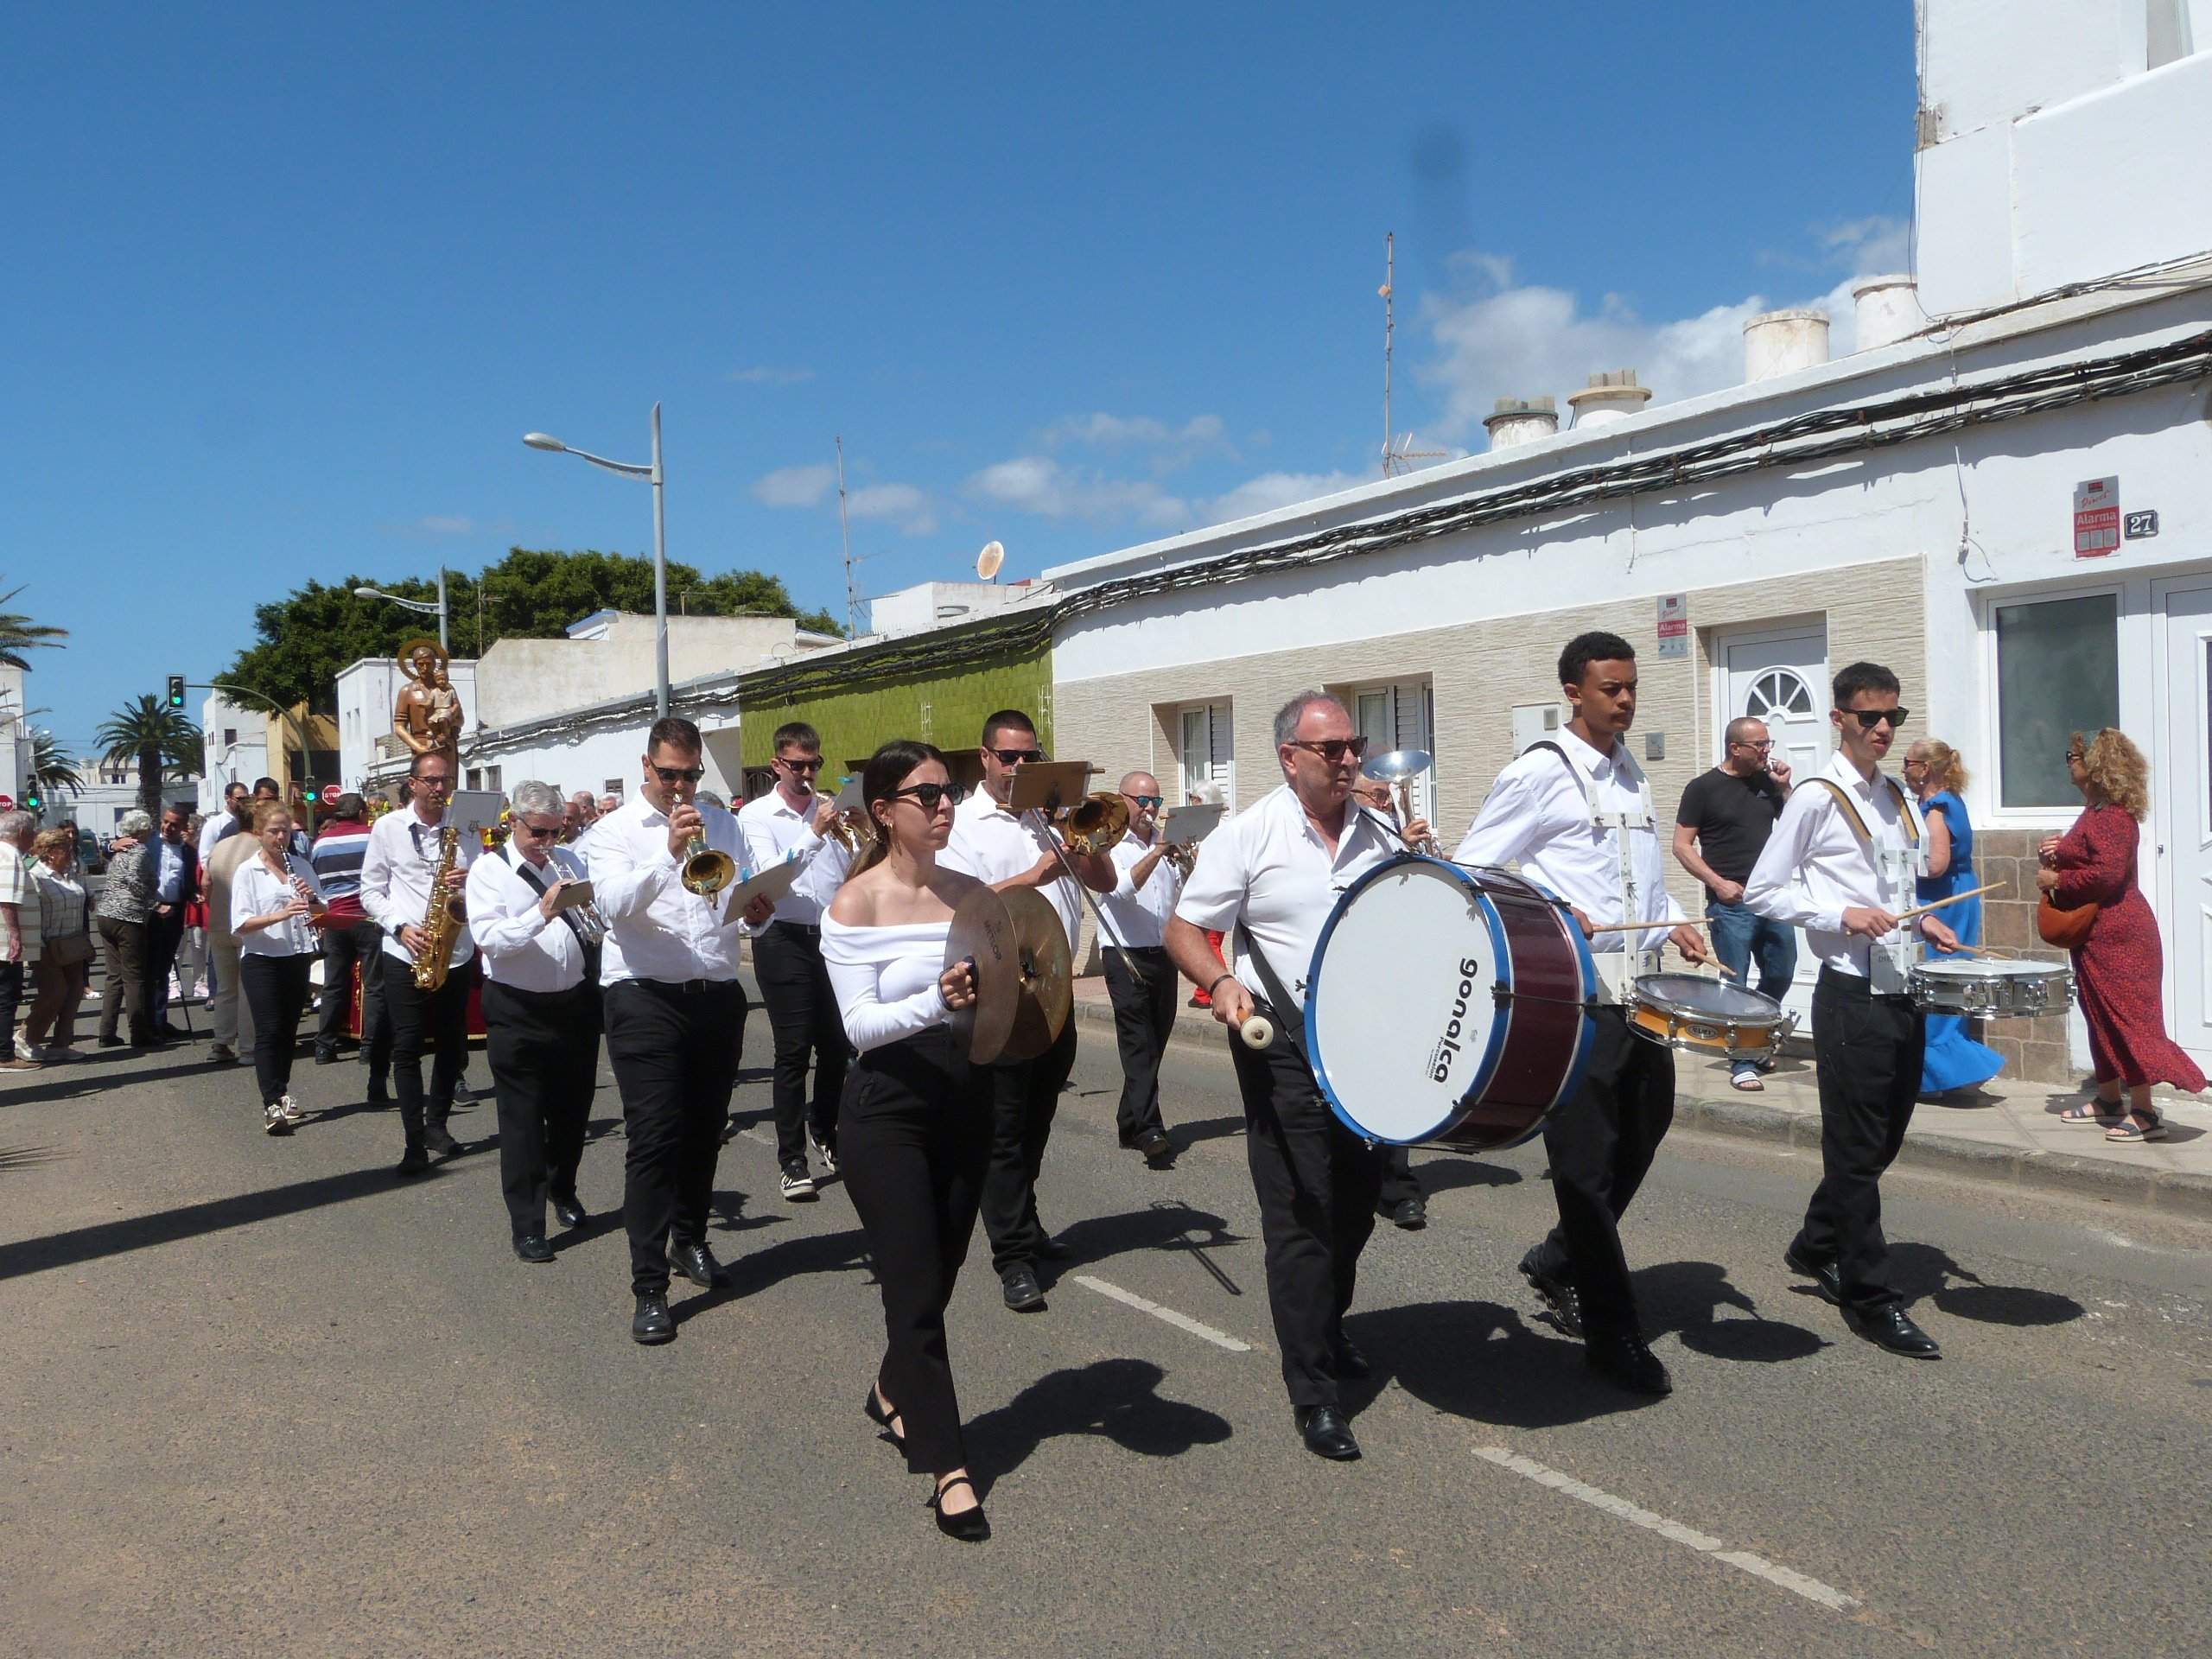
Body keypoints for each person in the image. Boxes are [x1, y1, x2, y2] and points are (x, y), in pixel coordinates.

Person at [1455, 632, 1708, 1395]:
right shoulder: (1538, 772)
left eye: (1631, 688)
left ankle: (1559, 1258)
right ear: (1574, 692)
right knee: (1586, 1169)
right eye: (1611, 689)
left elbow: (1639, 882)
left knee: (1644, 1132)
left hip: (1642, 998)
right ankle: (1612, 1333)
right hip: (1576, 1005)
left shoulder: (1632, 772)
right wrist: (1553, 907)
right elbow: (1473, 870)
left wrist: (1675, 921)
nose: (1626, 700)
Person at [1168, 692, 1395, 1460]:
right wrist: (1220, 980)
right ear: (1289, 758)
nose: (1348, 760)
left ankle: (1326, 1326)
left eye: (1353, 745)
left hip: (1368, 1049)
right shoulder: (1248, 834)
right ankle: (1315, 1391)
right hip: (1282, 1042)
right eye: (1331, 749)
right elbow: (1183, 926)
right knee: (1302, 1213)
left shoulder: (1379, 831)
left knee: (1357, 1205)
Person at [1745, 662, 1960, 1359]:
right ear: (1839, 719)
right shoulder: (1815, 797)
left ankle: (1816, 1243)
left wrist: (1921, 919)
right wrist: (1841, 914)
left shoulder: (1895, 795)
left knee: (1883, 1139)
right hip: (1850, 995)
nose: (1883, 728)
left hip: (1903, 985)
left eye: (1893, 716)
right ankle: (1870, 1298)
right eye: (1870, 717)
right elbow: (1763, 891)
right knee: (1857, 1152)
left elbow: (1896, 888)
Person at [823, 740, 993, 1541]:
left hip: (966, 1097)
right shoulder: (855, 904)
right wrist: (936, 1000)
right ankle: (947, 1466)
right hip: (886, 1108)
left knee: (943, 1273)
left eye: (949, 790)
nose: (945, 804)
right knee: (913, 1289)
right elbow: (860, 1027)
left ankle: (892, 1389)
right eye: (927, 795)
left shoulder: (971, 893)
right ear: (885, 811)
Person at [591, 717, 775, 1344]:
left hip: (715, 991)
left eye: (690, 775)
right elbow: (611, 905)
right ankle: (648, 1287)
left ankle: (689, 1239)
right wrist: (666, 854)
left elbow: (734, 904)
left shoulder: (724, 824)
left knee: (705, 1129)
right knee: (653, 1138)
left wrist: (756, 910)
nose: (680, 786)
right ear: (646, 766)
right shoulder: (613, 831)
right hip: (643, 994)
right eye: (669, 774)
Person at [939, 709, 1116, 1315]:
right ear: (985, 758)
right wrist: (1035, 874)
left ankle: (1027, 1222)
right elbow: (965, 910)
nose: (1019, 766)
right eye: (1009, 757)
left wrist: (1078, 833)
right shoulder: (963, 825)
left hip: (1054, 990)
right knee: (1004, 1132)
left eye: (1029, 757)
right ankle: (1012, 1256)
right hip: (1001, 993)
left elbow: (1105, 882)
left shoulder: (1047, 818)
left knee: (1038, 1121)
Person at [2040, 728, 2206, 1142]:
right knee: (2099, 1017)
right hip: (2097, 934)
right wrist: (2057, 854)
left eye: (2074, 756)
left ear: (2096, 765)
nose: (2069, 763)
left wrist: (2058, 880)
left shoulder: (2113, 816)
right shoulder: (2094, 812)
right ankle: (2109, 1100)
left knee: (2130, 1021)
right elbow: (2091, 860)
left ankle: (2145, 1111)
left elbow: (2108, 875)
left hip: (2121, 936)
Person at [467, 780, 601, 1262]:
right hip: (516, 1008)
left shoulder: (570, 862)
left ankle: (562, 1189)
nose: (547, 843)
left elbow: (591, 923)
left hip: (574, 1003)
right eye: (538, 833)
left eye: (555, 832)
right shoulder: (488, 871)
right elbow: (491, 940)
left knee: (573, 1112)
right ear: (513, 823)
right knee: (522, 1120)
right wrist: (542, 913)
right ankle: (527, 1224)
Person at [737, 721, 855, 1200]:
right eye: (798, 766)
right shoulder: (757, 816)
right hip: (782, 937)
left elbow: (854, 872)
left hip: (832, 938)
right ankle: (792, 1160)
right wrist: (814, 832)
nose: (807, 774)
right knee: (793, 1051)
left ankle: (825, 1129)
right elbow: (771, 876)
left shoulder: (831, 810)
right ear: (776, 766)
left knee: (837, 1046)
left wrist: (863, 834)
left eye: (814, 765)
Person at [359, 749, 479, 1175]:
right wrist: (399, 928)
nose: (440, 788)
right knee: (407, 1047)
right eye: (431, 780)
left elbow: (486, 883)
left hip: (455, 951)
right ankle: (414, 1143)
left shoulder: (464, 828)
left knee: (452, 1045)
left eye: (445, 780)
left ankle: (437, 1126)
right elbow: (370, 890)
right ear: (412, 784)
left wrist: (471, 880)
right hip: (405, 950)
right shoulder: (388, 828)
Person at [1673, 716, 1797, 1092]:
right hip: (1729, 904)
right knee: (1735, 982)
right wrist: (1718, 883)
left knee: (1782, 970)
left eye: (1768, 743)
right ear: (1735, 748)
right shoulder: (1702, 788)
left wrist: (1785, 789)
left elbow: (1795, 826)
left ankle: (1756, 1040)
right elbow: (1681, 846)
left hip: (1769, 898)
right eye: (1759, 744)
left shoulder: (1767, 783)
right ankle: (1743, 1062)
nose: (1766, 751)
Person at [1348, 775, 1430, 1228]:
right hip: (1354, 977)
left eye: (1389, 797)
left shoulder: (1390, 835)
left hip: (1400, 974)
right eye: (1379, 796)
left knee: (1400, 1078)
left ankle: (1397, 1186)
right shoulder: (1352, 837)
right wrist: (1399, 845)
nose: (1387, 804)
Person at [1903, 740, 2003, 1097]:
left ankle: (1938, 1076)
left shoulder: (1936, 808)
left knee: (1937, 983)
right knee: (1948, 981)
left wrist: (1896, 864)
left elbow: (1935, 864)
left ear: (1925, 769)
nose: (1903, 770)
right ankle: (1947, 1073)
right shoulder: (1950, 800)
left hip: (1943, 899)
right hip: (1957, 893)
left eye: (1908, 763)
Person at [1095, 772, 1182, 1168]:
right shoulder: (1108, 842)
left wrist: (1186, 861)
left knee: (1157, 1041)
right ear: (1123, 800)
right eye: (1143, 801)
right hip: (1124, 954)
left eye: (1156, 802)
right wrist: (1158, 852)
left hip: (1163, 954)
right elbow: (1119, 889)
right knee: (1138, 1044)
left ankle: (1129, 1122)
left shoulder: (1163, 844)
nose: (1150, 810)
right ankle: (1150, 1130)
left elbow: (1181, 896)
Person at [231, 802, 327, 1134]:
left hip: (296, 954)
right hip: (261, 958)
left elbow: (322, 910)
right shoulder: (248, 872)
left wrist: (311, 900)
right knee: (269, 1030)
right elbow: (240, 924)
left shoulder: (301, 866)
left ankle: (282, 1090)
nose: (280, 837)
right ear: (259, 833)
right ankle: (270, 1102)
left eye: (285, 831)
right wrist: (281, 914)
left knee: (288, 1030)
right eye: (273, 831)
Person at [309, 794, 389, 1087]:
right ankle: (369, 1046)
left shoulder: (321, 843)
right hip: (366, 918)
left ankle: (324, 1046)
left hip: (335, 919)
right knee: (374, 984)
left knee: (333, 984)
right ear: (362, 812)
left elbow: (316, 882)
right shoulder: (372, 837)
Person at [22, 830, 93, 1061]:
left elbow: (86, 893)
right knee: (54, 992)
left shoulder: (73, 872)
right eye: (65, 848)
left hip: (72, 942)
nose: (71, 853)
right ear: (50, 852)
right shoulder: (36, 876)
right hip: (46, 943)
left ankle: (61, 1043)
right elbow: (30, 911)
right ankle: (26, 1037)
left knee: (74, 991)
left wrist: (90, 896)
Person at [94, 810, 162, 1051]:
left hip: (106, 913)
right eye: (148, 827)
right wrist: (153, 901)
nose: (151, 831)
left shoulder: (120, 849)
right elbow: (134, 880)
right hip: (127, 917)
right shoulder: (139, 850)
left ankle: (107, 1032)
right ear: (141, 829)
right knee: (134, 977)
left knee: (114, 976)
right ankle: (138, 1032)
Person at [203, 816, 261, 1064]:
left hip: (218, 921)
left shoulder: (219, 847)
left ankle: (221, 1042)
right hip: (247, 924)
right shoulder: (260, 847)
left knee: (225, 988)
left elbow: (206, 884)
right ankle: (248, 1047)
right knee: (248, 988)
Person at [144, 803, 200, 1039]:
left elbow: (188, 883)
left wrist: (194, 894)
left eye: (174, 825)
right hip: (149, 910)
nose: (167, 827)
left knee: (165, 967)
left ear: (183, 827)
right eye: (165, 822)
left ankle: (160, 1020)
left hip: (175, 911)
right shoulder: (149, 844)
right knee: (149, 969)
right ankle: (149, 1023)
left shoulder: (188, 852)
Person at [0, 810, 44, 1070]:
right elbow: (6, 899)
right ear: (21, 833)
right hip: (5, 944)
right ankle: (4, 1055)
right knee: (6, 998)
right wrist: (15, 936)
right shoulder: (10, 854)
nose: (35, 836)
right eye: (32, 831)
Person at [200, 781, 248, 863]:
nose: (243, 803)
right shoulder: (213, 825)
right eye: (239, 799)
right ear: (227, 798)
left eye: (246, 799)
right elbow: (205, 858)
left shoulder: (250, 822)